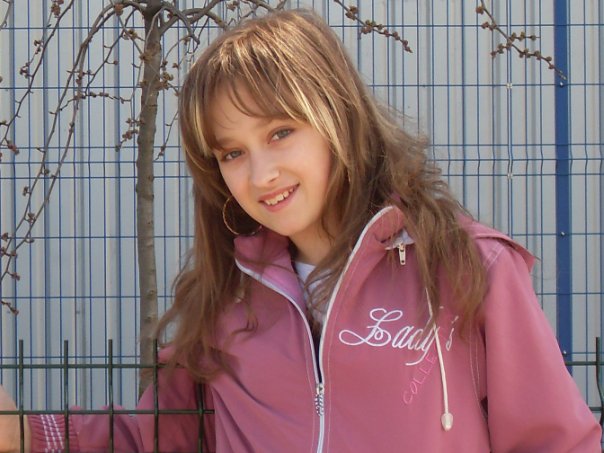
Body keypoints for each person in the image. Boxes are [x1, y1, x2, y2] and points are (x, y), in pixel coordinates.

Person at [0, 8, 601, 452]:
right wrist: (24, 434)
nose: (261, 174)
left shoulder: (468, 267)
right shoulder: (226, 299)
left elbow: (556, 442)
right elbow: (159, 434)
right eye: (232, 153)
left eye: (280, 132)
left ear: (337, 115)